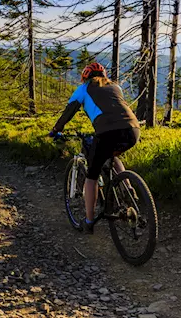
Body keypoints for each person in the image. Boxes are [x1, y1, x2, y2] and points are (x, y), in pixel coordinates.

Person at [50, 62, 140, 234]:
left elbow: (68, 112)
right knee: (113, 157)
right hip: (133, 130)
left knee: (92, 176)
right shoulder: (116, 87)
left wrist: (56, 130)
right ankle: (129, 191)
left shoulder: (83, 88)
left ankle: (89, 221)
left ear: (85, 77)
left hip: (107, 132)